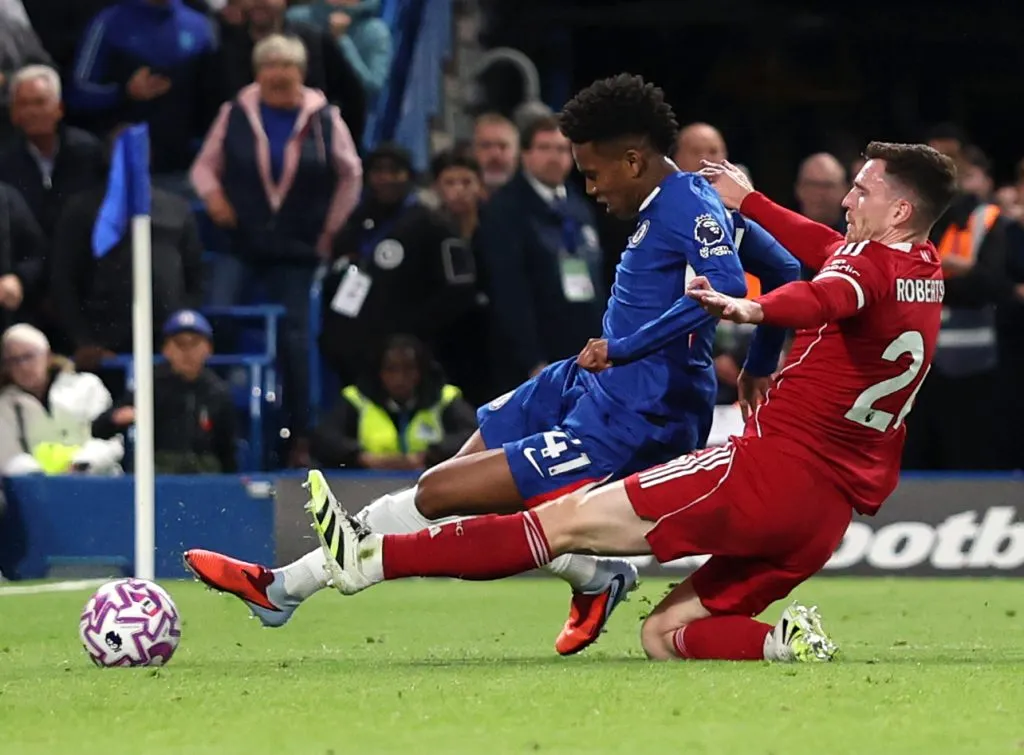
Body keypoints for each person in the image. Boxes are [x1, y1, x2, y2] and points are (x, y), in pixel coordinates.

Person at [184, 74, 799, 655]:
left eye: (592, 172)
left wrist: (632, 348)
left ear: (633, 159)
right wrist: (759, 365)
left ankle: (284, 587)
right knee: (463, 476)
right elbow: (784, 272)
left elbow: (723, 289)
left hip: (642, 413)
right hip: (587, 378)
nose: (590, 187)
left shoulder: (690, 206)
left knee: (444, 490)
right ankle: (595, 574)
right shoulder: (679, 203)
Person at [303, 141, 958, 663]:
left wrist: (750, 306)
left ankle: (376, 558)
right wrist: (753, 203)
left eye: (863, 189)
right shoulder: (921, 269)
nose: (847, 198)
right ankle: (782, 641)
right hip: (823, 517)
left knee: (560, 521)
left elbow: (821, 293)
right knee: (667, 633)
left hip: (767, 473)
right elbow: (827, 256)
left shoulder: (862, 271)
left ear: (899, 211)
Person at [191, 33, 362, 454]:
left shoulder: (325, 117)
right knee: (218, 319)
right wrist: (214, 198)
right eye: (269, 65)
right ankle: (211, 422)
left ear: (300, 73)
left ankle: (301, 434)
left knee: (296, 340)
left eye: (286, 66)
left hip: (297, 249)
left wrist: (329, 229)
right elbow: (203, 169)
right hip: (241, 243)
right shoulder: (233, 112)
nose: (278, 74)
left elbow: (351, 173)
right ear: (258, 71)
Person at [92, 310, 238, 474]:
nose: (187, 351)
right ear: (166, 349)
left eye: (195, 343)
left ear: (209, 348)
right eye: (179, 343)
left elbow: (227, 450)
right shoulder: (151, 386)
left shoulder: (217, 391)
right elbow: (99, 428)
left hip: (204, 478)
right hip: (160, 476)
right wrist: (117, 418)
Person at [310, 334, 478, 471]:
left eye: (408, 369)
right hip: (365, 487)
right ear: (380, 372)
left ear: (421, 371)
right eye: (392, 369)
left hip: (430, 483)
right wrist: (361, 457)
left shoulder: (444, 398)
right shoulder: (357, 399)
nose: (400, 378)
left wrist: (431, 454)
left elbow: (475, 435)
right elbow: (324, 439)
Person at [0, 324, 123, 477]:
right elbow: (9, 456)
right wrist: (45, 480)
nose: (23, 366)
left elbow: (111, 441)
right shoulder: (5, 404)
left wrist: (80, 465)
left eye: (28, 356)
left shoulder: (87, 386)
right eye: (13, 360)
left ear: (48, 356)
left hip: (95, 481)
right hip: (38, 490)